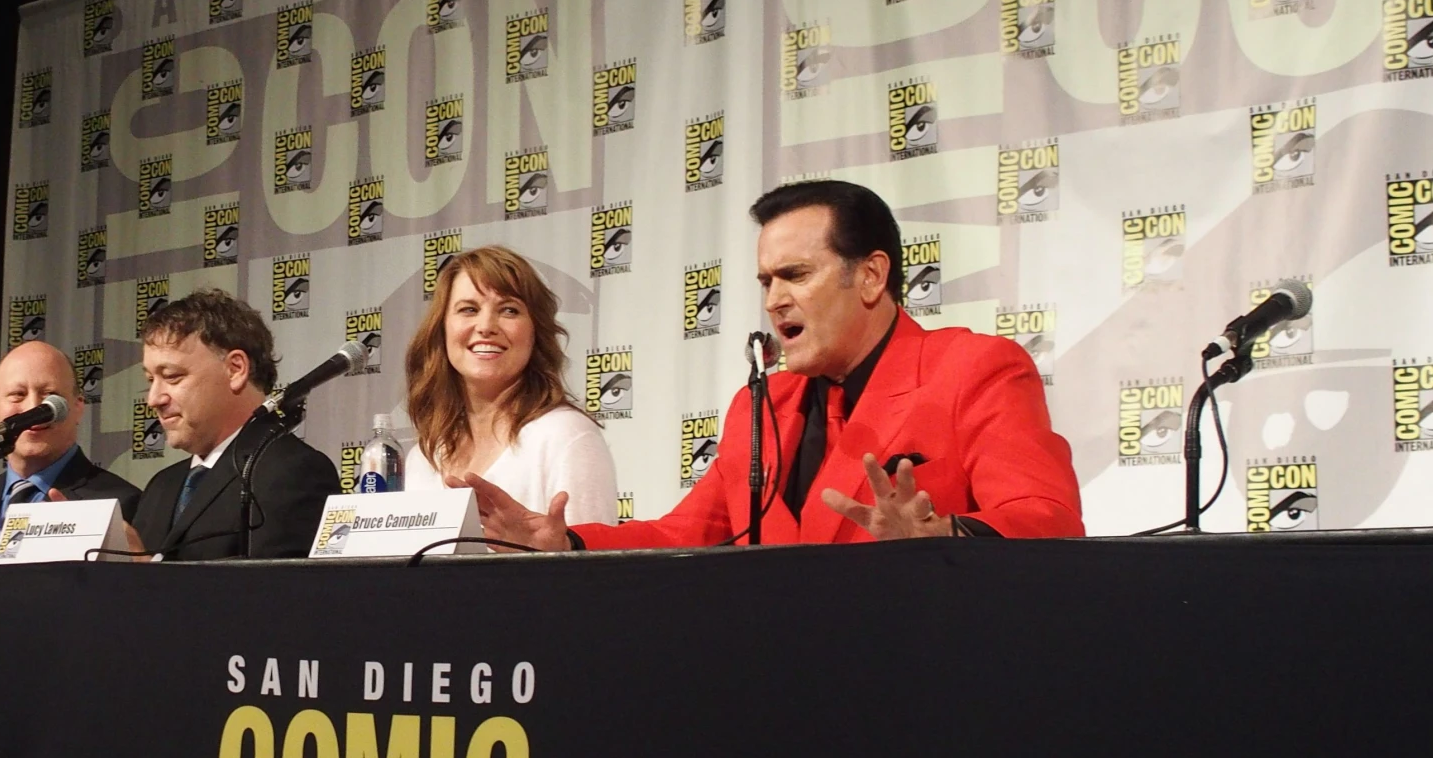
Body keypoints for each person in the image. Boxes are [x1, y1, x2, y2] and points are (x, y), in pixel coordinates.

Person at [463, 180, 1084, 549]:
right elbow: (688, 535)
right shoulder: (761, 405)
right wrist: (567, 542)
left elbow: (1050, 522)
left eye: (795, 275)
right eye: (765, 280)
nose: (773, 299)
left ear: (871, 275)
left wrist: (944, 539)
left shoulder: (974, 368)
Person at [403, 245, 616, 524]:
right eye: (469, 309)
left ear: (535, 332)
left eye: (509, 310)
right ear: (441, 329)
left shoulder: (566, 436)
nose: (486, 326)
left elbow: (593, 563)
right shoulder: (423, 456)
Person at [126, 289, 339, 560]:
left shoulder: (293, 472)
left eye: (172, 376)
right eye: (149, 380)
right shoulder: (161, 487)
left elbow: (281, 596)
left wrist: (142, 580)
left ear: (236, 369)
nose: (154, 399)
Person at [0, 339, 140, 564]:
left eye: (50, 396)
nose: (33, 408)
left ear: (78, 408)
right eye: (18, 394)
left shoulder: (121, 503)